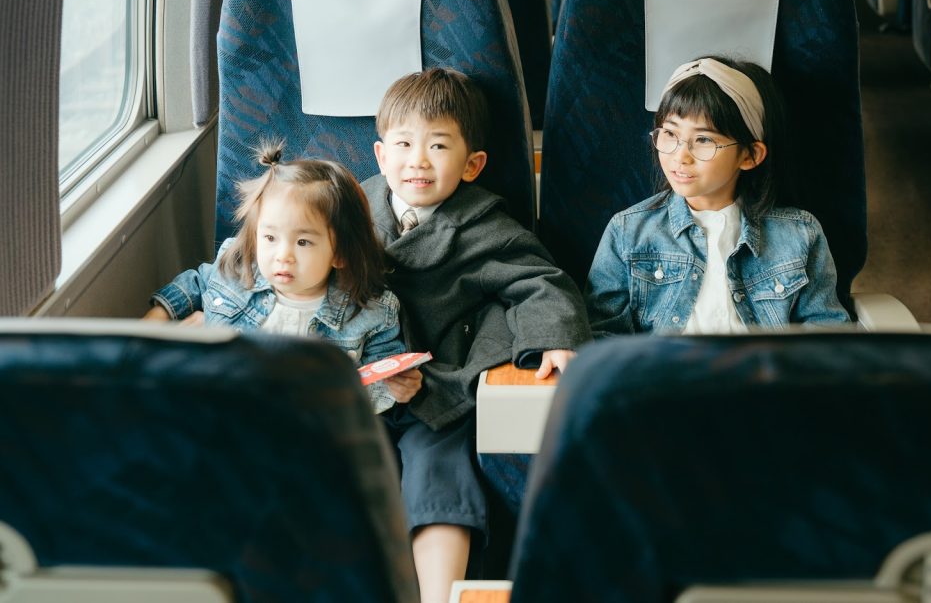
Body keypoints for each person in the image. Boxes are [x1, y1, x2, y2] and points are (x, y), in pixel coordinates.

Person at [363, 67, 591, 603]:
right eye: (403, 144)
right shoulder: (348, 209)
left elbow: (541, 282)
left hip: (436, 388)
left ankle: (441, 595)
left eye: (438, 145)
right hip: (360, 388)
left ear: (472, 165)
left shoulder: (485, 227)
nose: (417, 160)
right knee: (346, 467)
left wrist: (557, 339)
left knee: (439, 477)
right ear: (379, 156)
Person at [143, 142, 422, 412]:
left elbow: (381, 375)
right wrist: (156, 319)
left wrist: (394, 389)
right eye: (270, 237)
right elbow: (197, 282)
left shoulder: (371, 312)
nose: (282, 255)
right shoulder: (241, 267)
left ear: (340, 254)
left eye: (303, 242)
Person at [586, 55, 851, 336]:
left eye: (704, 140)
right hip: (662, 376)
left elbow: (826, 331)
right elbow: (603, 333)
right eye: (669, 134)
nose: (680, 156)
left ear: (749, 155)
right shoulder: (628, 232)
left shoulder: (799, 234)